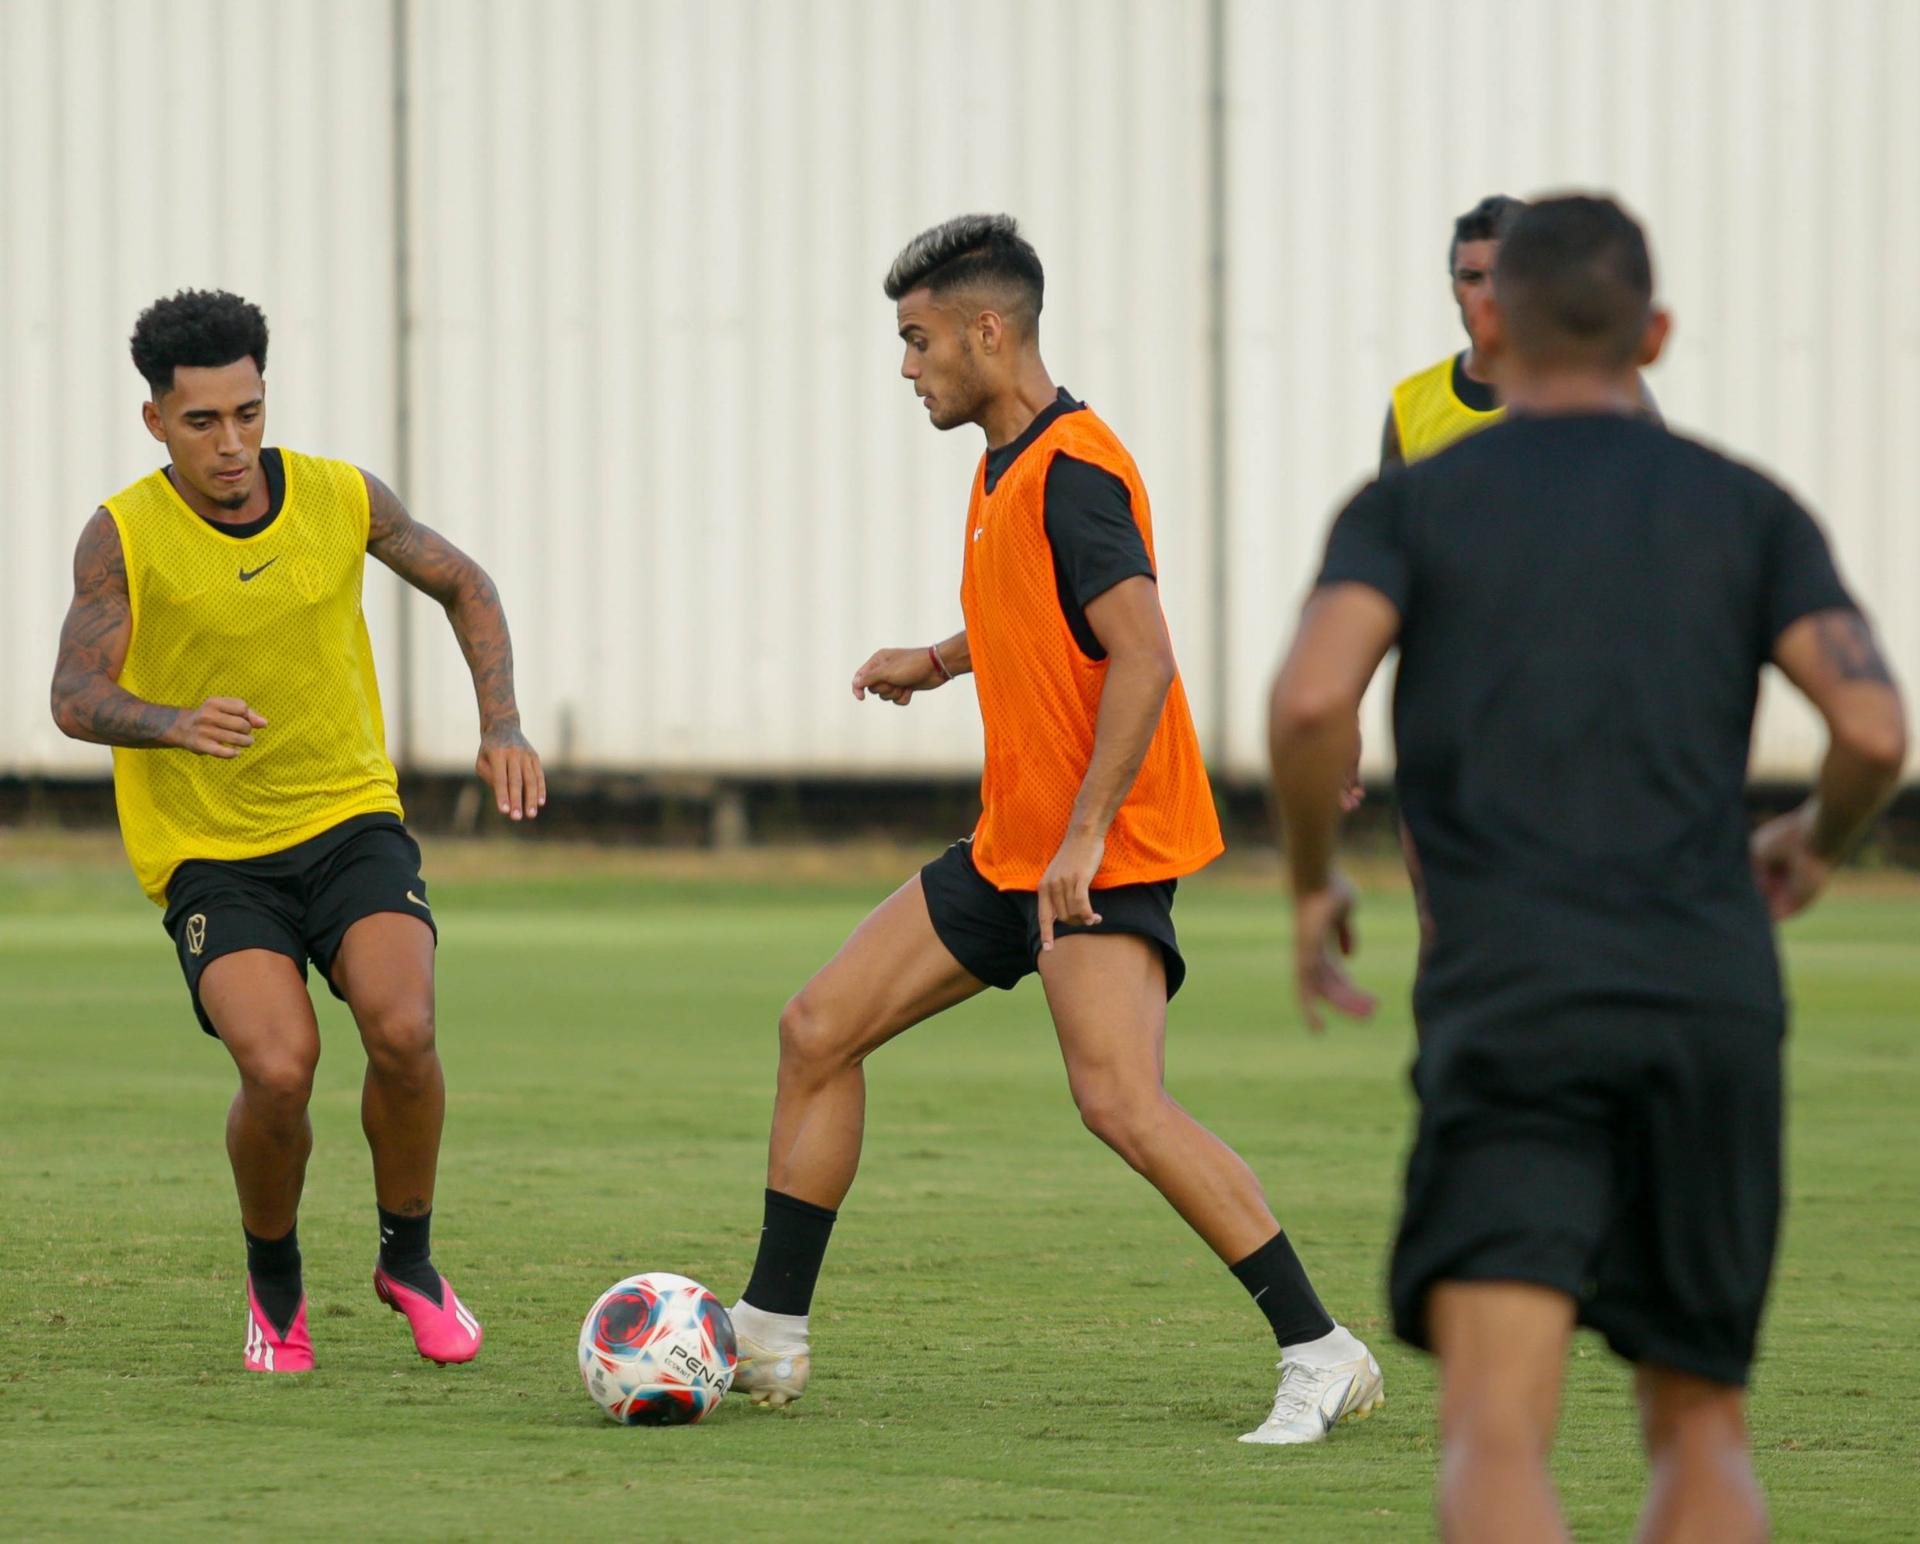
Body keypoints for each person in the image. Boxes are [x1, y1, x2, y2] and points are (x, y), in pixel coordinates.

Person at [1269, 196, 1906, 1539]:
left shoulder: (1412, 505)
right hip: (1709, 997)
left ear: (1493, 319)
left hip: (1515, 1000)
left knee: (1498, 1432)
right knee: (1702, 1429)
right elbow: (1873, 729)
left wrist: (1314, 878)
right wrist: (1816, 839)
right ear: (1655, 335)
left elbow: (1314, 701)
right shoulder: (1748, 508)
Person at [727, 214, 1382, 1444]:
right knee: (817, 1027)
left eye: (918, 340)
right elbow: (1046, 616)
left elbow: (1142, 655)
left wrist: (1084, 836)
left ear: (989, 329)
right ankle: (767, 1336)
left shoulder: (1076, 465)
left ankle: (1322, 1348)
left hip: (1102, 851)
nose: (907, 366)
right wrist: (936, 657)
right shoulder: (1004, 464)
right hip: (1010, 848)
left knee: (1122, 1102)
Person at [50, 290, 546, 1373]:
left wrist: (500, 718)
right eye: (201, 422)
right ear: (155, 423)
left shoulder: (338, 496)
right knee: (279, 1068)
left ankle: (407, 1260)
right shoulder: (123, 531)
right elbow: (73, 695)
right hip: (212, 853)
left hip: (348, 819)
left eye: (248, 412)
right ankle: (274, 1282)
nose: (231, 443)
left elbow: (465, 582)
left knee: (404, 1029)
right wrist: (172, 721)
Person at [1381, 193, 1658, 474]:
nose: (1489, 295)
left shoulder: (1602, 395)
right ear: (1452, 284)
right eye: (1471, 277)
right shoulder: (1410, 404)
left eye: (1503, 276)